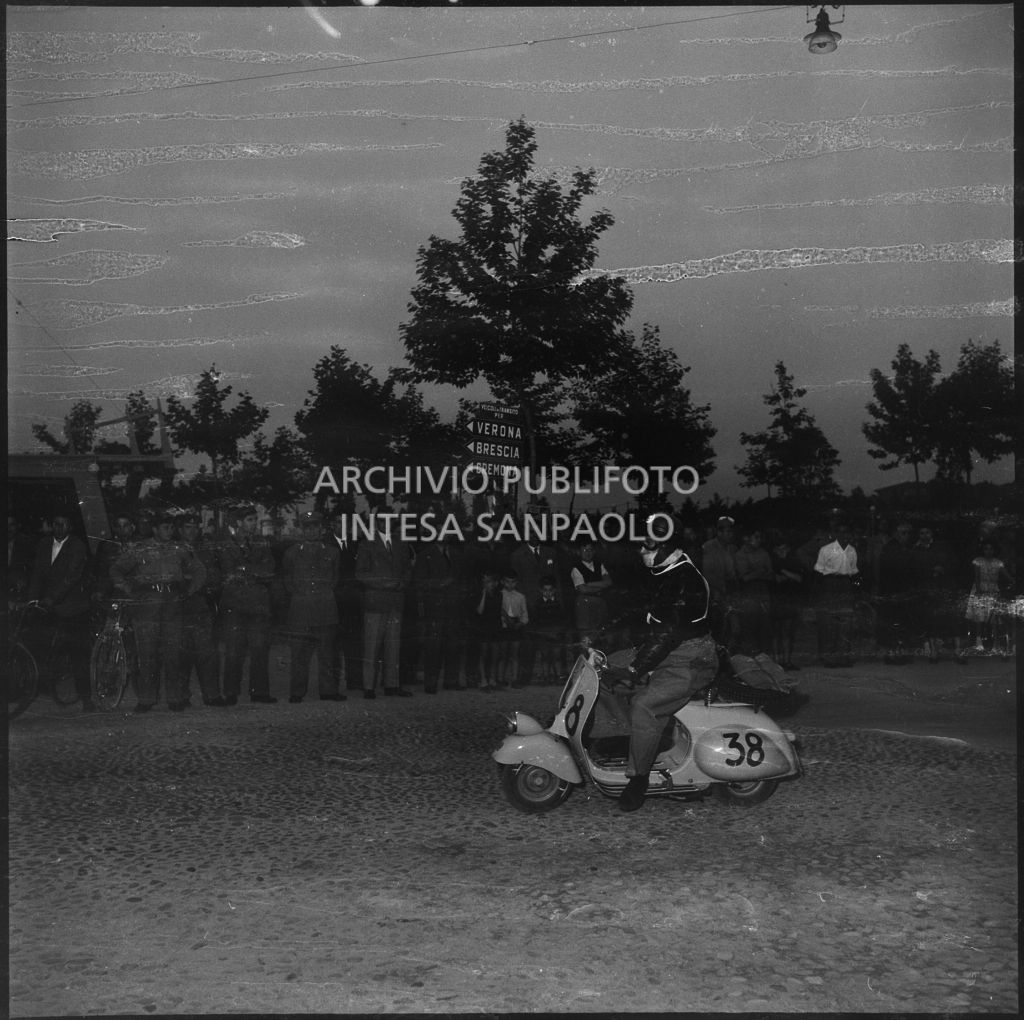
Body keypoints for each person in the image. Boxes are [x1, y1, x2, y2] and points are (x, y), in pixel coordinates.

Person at [604, 527, 715, 812]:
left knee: (644, 705)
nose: (642, 551)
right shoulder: (664, 573)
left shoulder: (685, 580)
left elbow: (666, 633)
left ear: (668, 548)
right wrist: (600, 634)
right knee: (603, 669)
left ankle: (638, 779)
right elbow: (639, 610)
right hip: (668, 650)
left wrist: (634, 669)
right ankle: (634, 738)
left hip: (691, 658)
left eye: (648, 546)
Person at [110, 510, 207, 712]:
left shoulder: (180, 549)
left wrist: (189, 591)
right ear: (154, 529)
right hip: (147, 605)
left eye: (172, 527)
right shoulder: (140, 549)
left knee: (174, 652)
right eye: (165, 527)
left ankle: (175, 698)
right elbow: (116, 570)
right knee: (147, 653)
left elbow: (200, 571)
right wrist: (130, 590)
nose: (169, 531)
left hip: (173, 603)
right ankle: (146, 699)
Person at [26, 510, 97, 713]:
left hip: (74, 607)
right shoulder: (43, 545)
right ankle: (41, 688)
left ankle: (86, 698)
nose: (60, 528)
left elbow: (71, 577)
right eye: (56, 524)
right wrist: (33, 598)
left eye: (64, 524)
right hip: (50, 606)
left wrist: (51, 599)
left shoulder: (78, 547)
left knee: (78, 653)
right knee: (42, 644)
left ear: (70, 527)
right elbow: (37, 574)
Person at [216, 504, 278, 705]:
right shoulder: (227, 543)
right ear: (239, 522)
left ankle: (259, 692)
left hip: (258, 604)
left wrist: (245, 569)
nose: (253, 524)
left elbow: (269, 570)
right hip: (234, 604)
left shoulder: (262, 543)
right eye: (249, 520)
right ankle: (231, 692)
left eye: (254, 520)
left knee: (260, 649)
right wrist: (253, 571)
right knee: (234, 651)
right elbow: (227, 571)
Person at [283, 510, 342, 703]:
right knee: (299, 654)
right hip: (301, 610)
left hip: (325, 609)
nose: (311, 531)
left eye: (315, 527)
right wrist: (303, 594)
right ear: (302, 530)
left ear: (321, 529)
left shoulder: (332, 552)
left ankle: (328, 691)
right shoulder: (292, 553)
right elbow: (287, 581)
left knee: (327, 654)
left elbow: (335, 579)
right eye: (306, 527)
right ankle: (297, 691)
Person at [355, 505, 412, 698]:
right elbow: (360, 574)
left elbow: (407, 570)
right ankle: (368, 687)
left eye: (389, 520)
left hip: (396, 601)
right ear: (377, 522)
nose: (386, 523)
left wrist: (402, 583)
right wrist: (383, 584)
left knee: (393, 647)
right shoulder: (367, 544)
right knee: (372, 647)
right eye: (382, 520)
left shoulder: (401, 543)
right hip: (375, 602)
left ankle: (391, 685)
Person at [177, 512, 229, 707]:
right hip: (179, 607)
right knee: (181, 653)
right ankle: (181, 696)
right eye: (188, 527)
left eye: (195, 527)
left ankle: (212, 694)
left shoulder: (205, 550)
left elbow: (214, 575)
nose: (192, 531)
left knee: (207, 652)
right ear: (180, 530)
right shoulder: (174, 549)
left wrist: (204, 584)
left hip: (201, 606)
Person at [413, 537, 464, 693]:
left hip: (454, 606)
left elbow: (461, 579)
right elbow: (419, 581)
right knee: (433, 646)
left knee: (453, 645)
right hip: (435, 606)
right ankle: (431, 683)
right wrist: (440, 584)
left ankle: (451, 680)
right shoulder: (425, 554)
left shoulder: (456, 554)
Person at [510, 536, 562, 685]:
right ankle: (523, 678)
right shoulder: (517, 555)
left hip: (549, 607)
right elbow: (516, 584)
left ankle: (553, 676)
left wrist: (557, 602)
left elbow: (556, 578)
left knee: (550, 644)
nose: (535, 534)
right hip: (528, 606)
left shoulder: (551, 552)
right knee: (526, 645)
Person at [812, 519, 859, 666]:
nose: (843, 534)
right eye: (840, 531)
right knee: (829, 622)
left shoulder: (852, 550)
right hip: (829, 585)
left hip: (845, 585)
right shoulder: (826, 550)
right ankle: (828, 657)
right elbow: (819, 572)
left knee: (845, 622)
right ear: (834, 533)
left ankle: (843, 657)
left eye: (846, 532)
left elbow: (853, 572)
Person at [325, 509, 363, 692]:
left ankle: (354, 681)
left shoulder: (356, 545)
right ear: (333, 525)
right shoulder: (326, 544)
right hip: (333, 599)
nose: (342, 526)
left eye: (345, 523)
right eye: (338, 522)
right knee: (332, 644)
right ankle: (332, 684)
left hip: (352, 601)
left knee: (354, 642)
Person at [876, 521, 917, 664]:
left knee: (901, 623)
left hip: (903, 592)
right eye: (903, 533)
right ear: (896, 534)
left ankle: (899, 653)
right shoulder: (891, 549)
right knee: (893, 623)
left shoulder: (906, 548)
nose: (906, 536)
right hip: (893, 592)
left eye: (908, 533)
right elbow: (889, 573)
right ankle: (892, 654)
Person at [963, 540, 1014, 654]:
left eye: (991, 549)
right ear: (983, 550)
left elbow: (1007, 576)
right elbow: (977, 577)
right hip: (980, 589)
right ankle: (979, 642)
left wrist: (1013, 582)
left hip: (993, 590)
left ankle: (995, 644)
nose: (989, 551)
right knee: (979, 617)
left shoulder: (998, 563)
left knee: (994, 618)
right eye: (986, 548)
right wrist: (979, 590)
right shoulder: (978, 561)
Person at [701, 515, 740, 651]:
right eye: (727, 531)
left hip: (730, 593)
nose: (730, 534)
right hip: (714, 594)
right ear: (719, 532)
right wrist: (718, 590)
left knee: (733, 629)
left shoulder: (732, 548)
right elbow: (707, 573)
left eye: (731, 531)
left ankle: (726, 661)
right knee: (718, 630)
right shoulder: (709, 547)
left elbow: (734, 572)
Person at [733, 527, 774, 655]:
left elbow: (770, 573)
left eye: (760, 537)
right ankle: (750, 657)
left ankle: (765, 657)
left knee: (765, 625)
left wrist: (756, 573)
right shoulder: (740, 554)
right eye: (756, 537)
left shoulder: (764, 553)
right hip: (748, 593)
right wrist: (761, 572)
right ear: (747, 538)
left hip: (763, 592)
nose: (759, 540)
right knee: (749, 624)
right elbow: (745, 577)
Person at [769, 536, 805, 670]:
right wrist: (788, 576)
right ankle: (777, 662)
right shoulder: (771, 562)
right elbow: (776, 579)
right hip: (775, 600)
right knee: (776, 632)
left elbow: (799, 578)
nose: (782, 551)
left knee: (788, 632)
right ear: (774, 550)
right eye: (779, 549)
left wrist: (784, 572)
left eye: (784, 548)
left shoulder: (793, 562)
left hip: (789, 599)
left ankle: (787, 661)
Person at [570, 540, 612, 650]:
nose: (587, 553)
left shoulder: (599, 565)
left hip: (600, 602)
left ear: (594, 552)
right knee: (586, 635)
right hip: (585, 604)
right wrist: (600, 585)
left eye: (590, 550)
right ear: (579, 552)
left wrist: (589, 583)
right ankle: (585, 663)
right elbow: (582, 589)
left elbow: (608, 582)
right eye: (584, 550)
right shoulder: (576, 568)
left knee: (600, 632)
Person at [530, 574, 569, 685]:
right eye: (545, 590)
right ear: (541, 590)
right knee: (545, 656)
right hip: (543, 634)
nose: (548, 593)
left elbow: (563, 620)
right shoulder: (538, 604)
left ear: (554, 590)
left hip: (556, 634)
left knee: (556, 656)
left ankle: (557, 676)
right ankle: (546, 676)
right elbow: (536, 621)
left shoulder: (558, 604)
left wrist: (560, 632)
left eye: (550, 590)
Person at [473, 571, 504, 692]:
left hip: (495, 626)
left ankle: (492, 679)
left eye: (489, 581)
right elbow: (480, 611)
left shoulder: (498, 595)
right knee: (484, 654)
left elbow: (499, 610)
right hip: (483, 627)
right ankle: (483, 681)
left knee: (495, 655)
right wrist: (484, 595)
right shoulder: (479, 594)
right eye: (485, 582)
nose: (487, 584)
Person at [499, 568, 529, 687]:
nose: (510, 585)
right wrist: (505, 622)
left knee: (514, 654)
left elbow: (525, 614)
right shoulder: (500, 595)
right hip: (504, 626)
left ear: (516, 582)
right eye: (507, 582)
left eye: (513, 582)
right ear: (503, 582)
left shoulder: (520, 596)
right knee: (503, 654)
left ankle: (515, 678)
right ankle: (501, 678)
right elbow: (499, 613)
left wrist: (521, 623)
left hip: (516, 626)